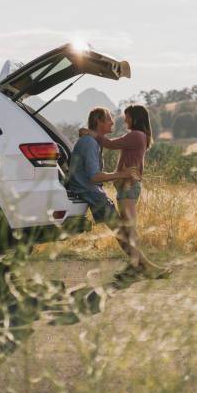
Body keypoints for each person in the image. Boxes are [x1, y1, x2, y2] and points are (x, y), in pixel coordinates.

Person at [69, 106, 166, 280]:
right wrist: (121, 174)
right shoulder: (90, 143)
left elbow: (111, 144)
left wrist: (92, 134)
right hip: (100, 190)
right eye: (109, 119)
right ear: (99, 121)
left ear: (135, 118)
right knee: (124, 229)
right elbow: (94, 175)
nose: (116, 121)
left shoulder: (133, 136)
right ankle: (142, 266)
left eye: (126, 117)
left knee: (126, 229)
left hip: (124, 185)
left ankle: (141, 266)